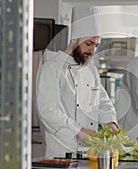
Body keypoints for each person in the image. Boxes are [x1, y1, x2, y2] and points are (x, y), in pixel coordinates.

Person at [36, 6, 118, 157]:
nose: (93, 50)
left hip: (89, 153)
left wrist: (110, 122)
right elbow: (48, 111)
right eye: (89, 43)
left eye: (96, 45)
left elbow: (103, 102)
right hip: (61, 155)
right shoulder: (51, 68)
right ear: (74, 40)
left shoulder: (91, 71)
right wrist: (78, 131)